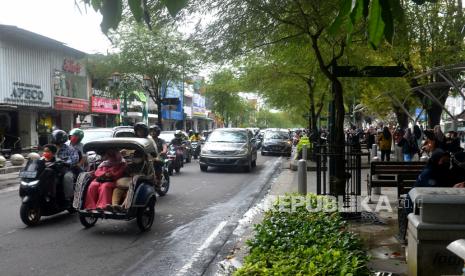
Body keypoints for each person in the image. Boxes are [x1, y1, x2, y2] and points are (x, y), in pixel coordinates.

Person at [52, 129, 79, 202]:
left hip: (66, 170)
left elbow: (75, 159)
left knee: (67, 177)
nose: (57, 145)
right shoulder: (50, 149)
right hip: (53, 169)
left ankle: (69, 198)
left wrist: (65, 162)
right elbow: (44, 156)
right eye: (56, 143)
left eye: (59, 143)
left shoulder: (70, 149)